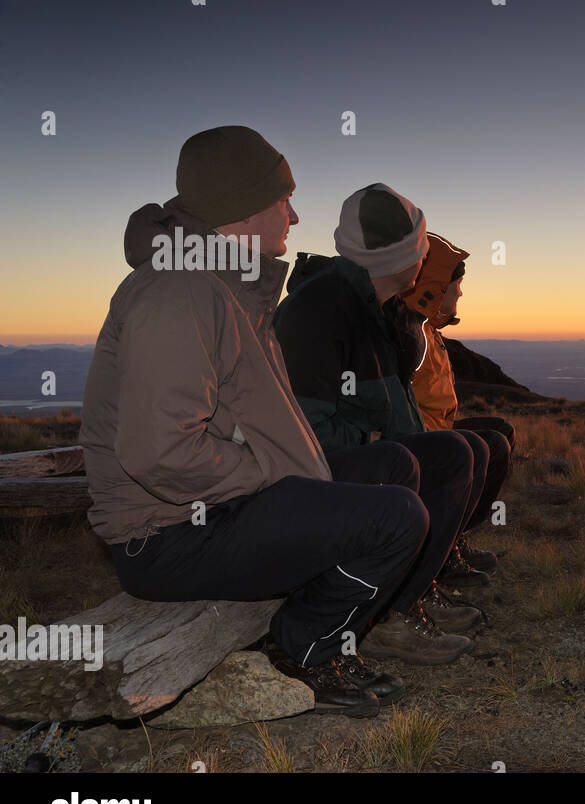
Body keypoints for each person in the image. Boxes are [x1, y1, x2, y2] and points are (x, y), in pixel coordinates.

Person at [79, 128, 471, 720]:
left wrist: (288, 470)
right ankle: (306, 648)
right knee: (396, 517)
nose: (294, 213)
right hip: (169, 534)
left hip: (218, 505)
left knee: (403, 462)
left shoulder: (230, 287)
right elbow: (159, 454)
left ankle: (361, 611)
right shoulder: (178, 294)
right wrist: (272, 475)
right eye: (282, 198)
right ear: (241, 208)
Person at [274, 183, 495, 637]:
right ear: (401, 259)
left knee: (465, 448)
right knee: (438, 455)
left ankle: (411, 591)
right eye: (420, 246)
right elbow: (301, 427)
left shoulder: (377, 308)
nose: (425, 258)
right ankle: (390, 613)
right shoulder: (321, 309)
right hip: (309, 476)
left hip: (362, 458)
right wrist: (373, 442)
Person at [408, 237, 514, 578]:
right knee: (490, 444)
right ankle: (440, 548)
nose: (460, 294)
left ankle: (454, 536)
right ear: (437, 287)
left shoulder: (428, 330)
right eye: (457, 285)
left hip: (434, 433)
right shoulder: (414, 336)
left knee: (499, 430)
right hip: (417, 441)